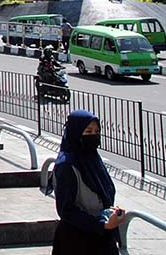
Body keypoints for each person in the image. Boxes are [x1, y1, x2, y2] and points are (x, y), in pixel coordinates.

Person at [51, 109, 128, 255]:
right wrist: (101, 224)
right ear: (76, 133)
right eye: (88, 131)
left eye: (96, 131)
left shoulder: (93, 159)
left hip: (102, 237)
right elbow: (66, 210)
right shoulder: (67, 166)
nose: (93, 136)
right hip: (76, 242)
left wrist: (111, 213)